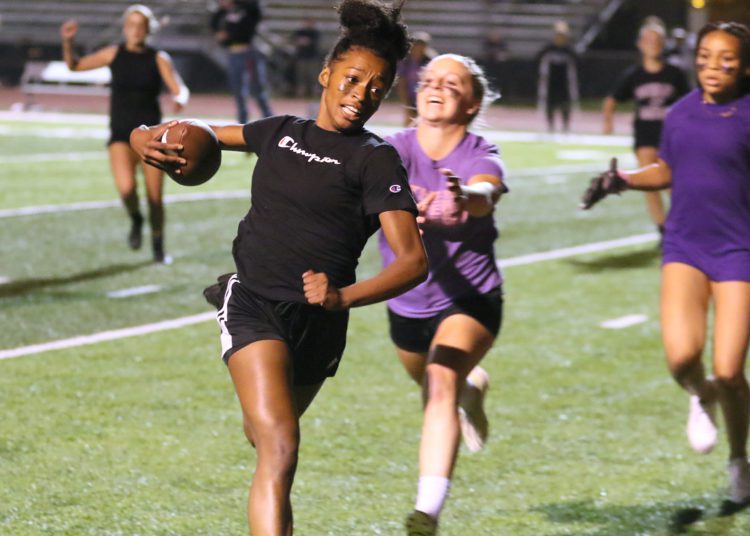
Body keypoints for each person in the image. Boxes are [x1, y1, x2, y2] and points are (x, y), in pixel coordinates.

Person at [131, 1, 427, 533]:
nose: (362, 94)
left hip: (319, 323)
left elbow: (412, 262)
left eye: (377, 87)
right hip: (254, 305)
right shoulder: (279, 131)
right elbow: (196, 128)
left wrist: (342, 298)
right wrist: (141, 137)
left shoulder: (375, 159)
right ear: (326, 74)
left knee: (262, 435)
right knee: (280, 445)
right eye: (353, 78)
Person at [581, 21, 750, 509]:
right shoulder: (679, 114)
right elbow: (669, 168)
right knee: (682, 359)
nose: (713, 66)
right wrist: (623, 179)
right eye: (705, 56)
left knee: (731, 370)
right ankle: (701, 395)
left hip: (739, 250)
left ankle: (739, 459)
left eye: (727, 58)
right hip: (686, 245)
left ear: (744, 64)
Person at [379, 53, 506, 535]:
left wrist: (465, 197)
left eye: (451, 84)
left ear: (471, 104)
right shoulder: (390, 150)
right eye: (429, 80)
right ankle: (474, 390)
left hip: (470, 298)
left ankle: (427, 510)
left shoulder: (480, 150)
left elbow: (486, 192)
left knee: (440, 379)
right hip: (406, 301)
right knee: (437, 386)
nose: (435, 87)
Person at [60, 4, 189, 263]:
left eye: (140, 26)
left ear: (148, 29)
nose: (135, 30)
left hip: (153, 138)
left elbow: (180, 88)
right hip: (121, 134)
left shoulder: (158, 58)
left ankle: (158, 244)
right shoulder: (113, 54)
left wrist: (179, 99)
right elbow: (74, 66)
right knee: (127, 190)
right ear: (124, 28)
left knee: (155, 198)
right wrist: (68, 42)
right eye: (131, 25)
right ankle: (136, 218)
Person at [602, 18, 688, 239]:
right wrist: (608, 122)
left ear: (663, 43)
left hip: (670, 136)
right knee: (648, 184)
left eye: (656, 39)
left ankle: (687, 222)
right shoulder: (634, 74)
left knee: (672, 183)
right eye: (648, 39)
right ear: (640, 44)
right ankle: (663, 229)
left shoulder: (674, 74)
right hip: (644, 135)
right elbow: (611, 99)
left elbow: (690, 102)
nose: (652, 43)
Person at [211, 0, 273, 123]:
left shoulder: (248, 8)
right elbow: (214, 23)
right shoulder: (224, 12)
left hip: (249, 52)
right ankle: (242, 121)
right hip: (233, 53)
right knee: (238, 89)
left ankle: (270, 119)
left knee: (257, 88)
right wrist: (219, 33)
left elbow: (255, 9)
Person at [536, 20, 579, 133]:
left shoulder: (569, 50)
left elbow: (576, 63)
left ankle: (565, 126)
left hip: (564, 82)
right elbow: (538, 60)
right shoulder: (548, 48)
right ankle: (550, 126)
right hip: (551, 81)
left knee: (565, 104)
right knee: (550, 104)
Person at [397, 31, 434, 126]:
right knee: (409, 122)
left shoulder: (431, 61)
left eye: (421, 46)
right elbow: (402, 82)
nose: (418, 48)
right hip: (410, 97)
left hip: (425, 98)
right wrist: (406, 102)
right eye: (416, 45)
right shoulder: (406, 61)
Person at [291, 17, 321, 99]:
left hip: (312, 57)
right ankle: (300, 95)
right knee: (301, 77)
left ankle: (315, 94)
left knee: (314, 77)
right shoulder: (299, 32)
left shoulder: (315, 33)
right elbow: (294, 41)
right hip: (301, 57)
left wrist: (305, 42)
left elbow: (315, 43)